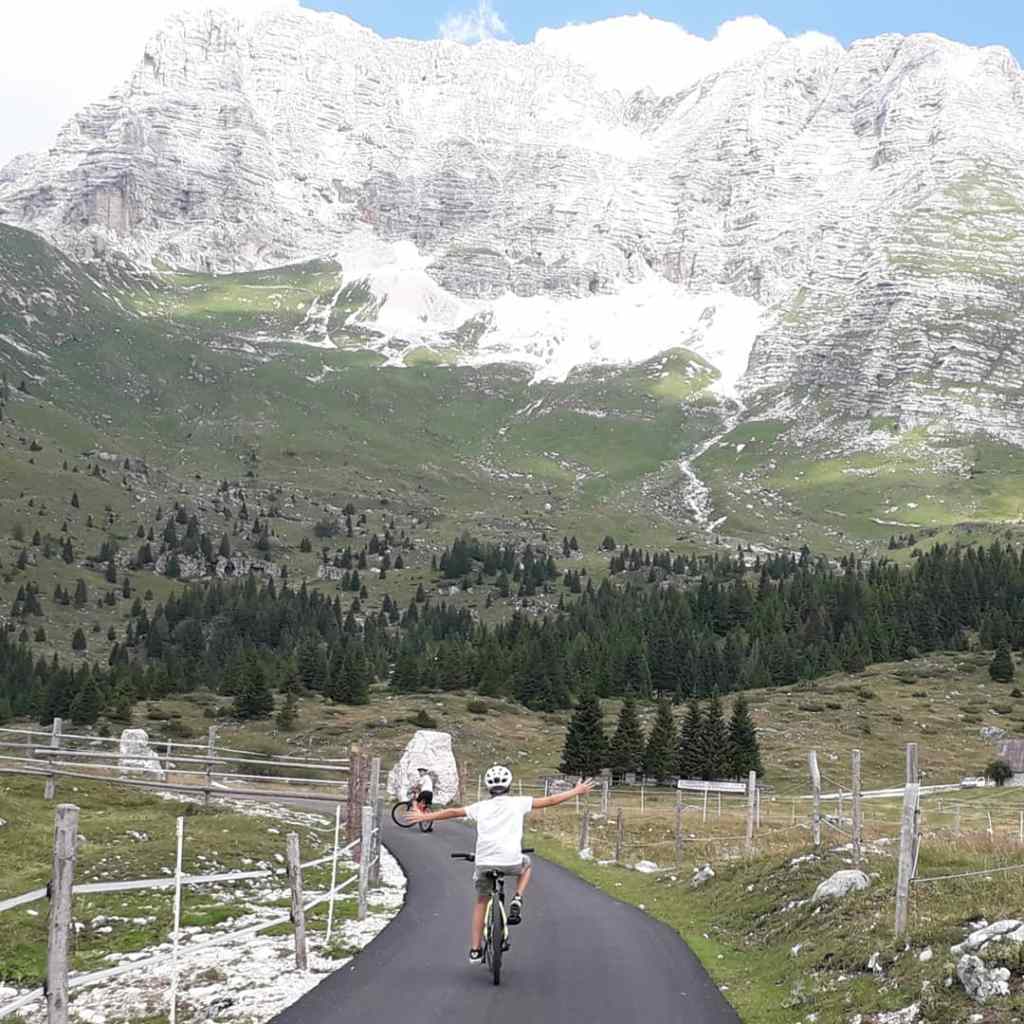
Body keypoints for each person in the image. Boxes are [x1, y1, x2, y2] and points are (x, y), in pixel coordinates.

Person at [406, 765, 594, 963]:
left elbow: (453, 812)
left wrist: (426, 816)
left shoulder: (480, 807)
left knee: (481, 901)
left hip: (484, 862)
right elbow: (551, 800)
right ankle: (517, 899)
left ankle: (475, 950)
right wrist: (576, 791)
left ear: (488, 787)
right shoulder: (519, 803)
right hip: (511, 860)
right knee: (527, 864)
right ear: (509, 785)